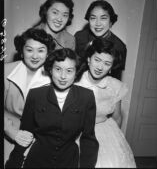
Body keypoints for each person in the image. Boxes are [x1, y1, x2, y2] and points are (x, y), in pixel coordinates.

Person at [5, 48, 99, 168]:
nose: (63, 76)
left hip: (69, 161)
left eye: (69, 71)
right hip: (37, 160)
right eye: (58, 69)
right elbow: (25, 134)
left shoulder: (87, 97)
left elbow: (88, 139)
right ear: (50, 69)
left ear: (76, 73)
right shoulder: (35, 94)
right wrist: (13, 164)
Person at [75, 39, 136, 168]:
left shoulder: (115, 86)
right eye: (97, 60)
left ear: (111, 67)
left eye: (107, 63)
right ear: (88, 59)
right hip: (76, 132)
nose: (100, 67)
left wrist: (115, 141)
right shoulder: (75, 81)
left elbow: (117, 117)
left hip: (104, 131)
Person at [4, 28, 56, 164]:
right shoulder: (5, 71)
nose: (35, 56)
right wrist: (11, 132)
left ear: (48, 53)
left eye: (41, 50)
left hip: (38, 139)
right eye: (29, 50)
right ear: (21, 51)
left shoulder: (55, 78)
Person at [74, 0, 127, 80]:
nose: (98, 23)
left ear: (111, 21)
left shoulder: (119, 46)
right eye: (93, 18)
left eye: (103, 18)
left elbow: (115, 79)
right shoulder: (80, 37)